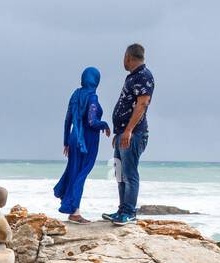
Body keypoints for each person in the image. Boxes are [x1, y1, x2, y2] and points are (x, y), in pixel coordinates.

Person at [102, 43, 154, 226]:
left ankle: (129, 212)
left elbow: (142, 104)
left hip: (135, 134)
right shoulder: (132, 77)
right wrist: (119, 133)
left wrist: (129, 130)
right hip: (123, 133)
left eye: (124, 57)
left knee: (129, 173)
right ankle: (122, 210)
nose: (123, 60)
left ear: (129, 57)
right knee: (119, 173)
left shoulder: (144, 76)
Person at [53, 67, 111, 223]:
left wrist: (66, 141)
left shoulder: (75, 95)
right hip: (87, 141)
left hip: (74, 139)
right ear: (96, 80)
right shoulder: (92, 97)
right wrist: (104, 124)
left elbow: (67, 120)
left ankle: (71, 208)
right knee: (81, 174)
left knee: (73, 172)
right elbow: (92, 122)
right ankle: (75, 212)